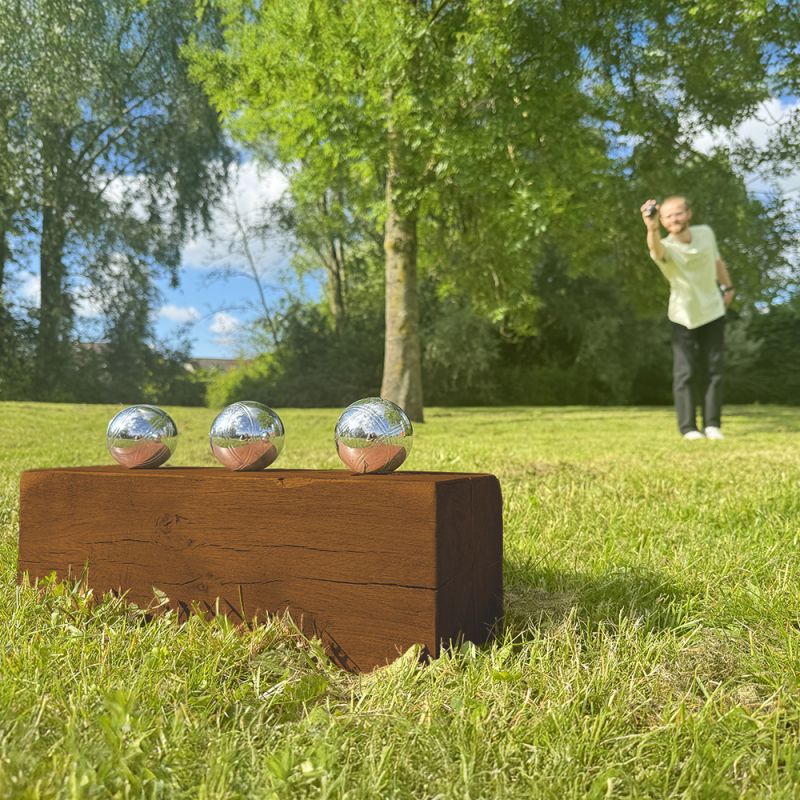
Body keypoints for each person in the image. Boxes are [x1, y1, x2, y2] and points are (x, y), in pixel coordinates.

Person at [640, 195, 735, 440]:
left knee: (714, 370)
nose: (674, 218)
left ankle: (712, 425)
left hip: (712, 310)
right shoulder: (666, 246)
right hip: (682, 315)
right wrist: (651, 228)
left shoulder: (705, 233)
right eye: (668, 216)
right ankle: (689, 429)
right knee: (685, 372)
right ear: (662, 220)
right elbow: (656, 250)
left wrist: (728, 288)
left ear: (689, 214)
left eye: (678, 213)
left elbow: (716, 262)